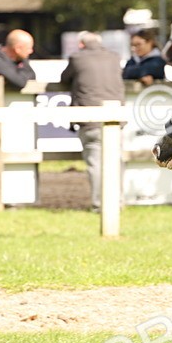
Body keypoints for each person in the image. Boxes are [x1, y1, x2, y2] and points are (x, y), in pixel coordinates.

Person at [55, 31, 124, 210]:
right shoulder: (114, 57)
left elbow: (64, 79)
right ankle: (118, 202)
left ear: (81, 45)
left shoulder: (77, 58)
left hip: (90, 119)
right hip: (116, 119)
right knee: (115, 162)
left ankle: (100, 205)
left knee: (96, 164)